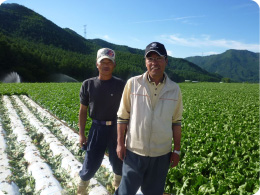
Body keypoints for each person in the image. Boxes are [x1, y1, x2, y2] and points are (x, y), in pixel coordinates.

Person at [115, 42, 183, 195]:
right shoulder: (133, 84)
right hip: (134, 152)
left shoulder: (174, 89)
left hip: (161, 155)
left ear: (166, 61)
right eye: (150, 58)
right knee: (125, 192)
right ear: (145, 62)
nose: (154, 63)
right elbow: (122, 117)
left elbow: (176, 122)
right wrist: (120, 144)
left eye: (159, 58)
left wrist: (177, 150)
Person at [77, 48, 125, 195]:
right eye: (102, 62)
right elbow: (83, 111)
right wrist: (81, 134)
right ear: (97, 64)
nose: (106, 65)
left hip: (116, 128)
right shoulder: (88, 84)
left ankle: (117, 184)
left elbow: (128, 112)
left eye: (109, 62)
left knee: (118, 161)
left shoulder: (121, 85)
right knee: (91, 161)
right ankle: (82, 188)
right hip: (97, 128)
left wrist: (125, 136)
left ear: (114, 65)